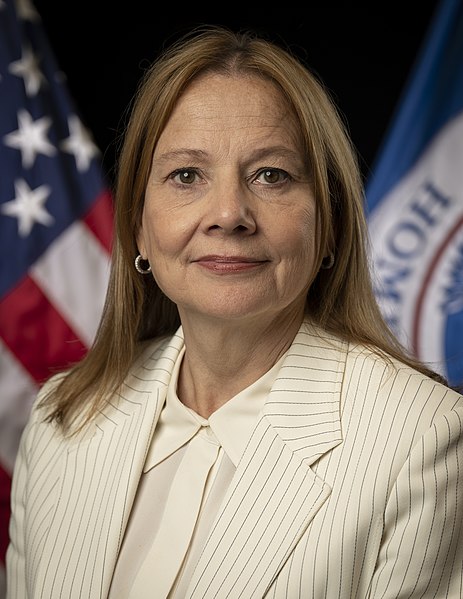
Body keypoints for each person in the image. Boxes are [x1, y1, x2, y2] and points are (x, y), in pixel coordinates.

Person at [6, 24, 463, 599]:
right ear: (139, 229)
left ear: (329, 227)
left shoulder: (422, 440)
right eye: (186, 175)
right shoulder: (60, 420)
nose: (228, 213)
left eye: (271, 175)